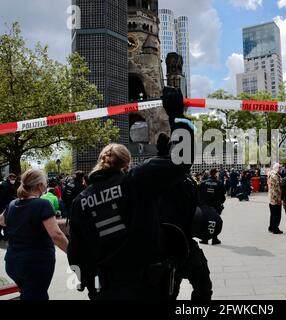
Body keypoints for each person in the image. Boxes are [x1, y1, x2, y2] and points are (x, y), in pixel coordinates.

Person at [67, 86, 196, 300]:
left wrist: (90, 286)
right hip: (148, 287)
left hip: (107, 290)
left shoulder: (80, 202)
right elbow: (181, 161)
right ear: (126, 164)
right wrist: (177, 117)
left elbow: (76, 255)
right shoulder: (136, 181)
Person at [152, 133, 213, 301]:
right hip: (183, 245)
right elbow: (197, 207)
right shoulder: (185, 181)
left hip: (160, 245)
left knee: (168, 292)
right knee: (203, 287)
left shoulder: (150, 177)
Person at [0, 169, 68, 300]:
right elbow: (56, 235)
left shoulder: (12, 204)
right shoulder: (42, 204)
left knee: (32, 293)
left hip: (12, 262)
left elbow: (2, 221)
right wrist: (72, 253)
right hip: (36, 264)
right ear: (40, 185)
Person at [199, 168, 226, 245]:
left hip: (205, 206)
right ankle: (215, 239)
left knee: (205, 221)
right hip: (216, 206)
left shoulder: (203, 183)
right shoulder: (220, 183)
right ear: (215, 174)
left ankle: (205, 239)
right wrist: (221, 202)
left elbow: (199, 194)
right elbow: (223, 195)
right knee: (215, 221)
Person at [0, 173, 17, 241]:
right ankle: (6, 236)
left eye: (14, 179)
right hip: (4, 206)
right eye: (12, 179)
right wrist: (13, 198)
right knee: (5, 221)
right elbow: (3, 197)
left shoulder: (7, 184)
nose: (14, 180)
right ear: (9, 178)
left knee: (3, 221)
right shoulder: (5, 185)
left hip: (5, 205)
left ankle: (5, 236)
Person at [268, 163, 283, 234]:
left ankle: (271, 227)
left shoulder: (271, 174)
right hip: (276, 198)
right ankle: (275, 229)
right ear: (277, 168)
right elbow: (278, 187)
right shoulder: (275, 176)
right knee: (277, 215)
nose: (281, 169)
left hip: (271, 198)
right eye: (280, 168)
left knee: (273, 214)